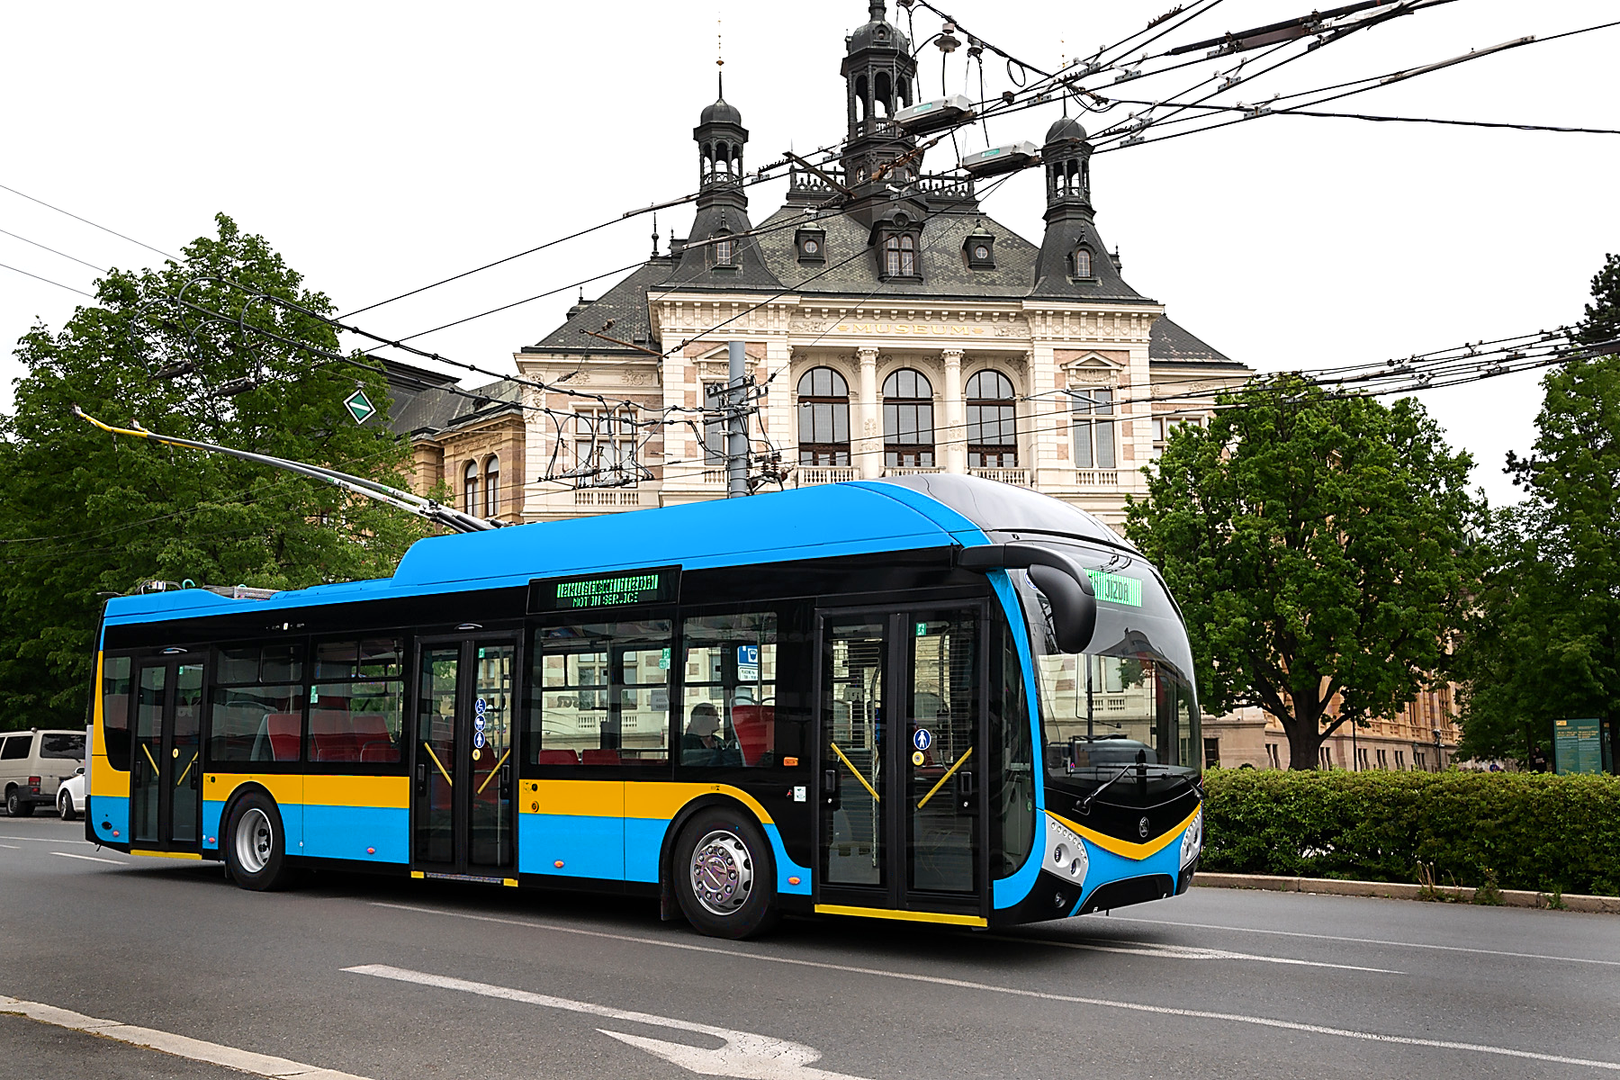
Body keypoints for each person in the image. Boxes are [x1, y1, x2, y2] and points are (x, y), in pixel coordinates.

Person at [682, 702, 741, 766]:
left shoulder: (720, 741)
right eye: (715, 716)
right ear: (703, 719)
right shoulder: (687, 742)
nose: (719, 720)